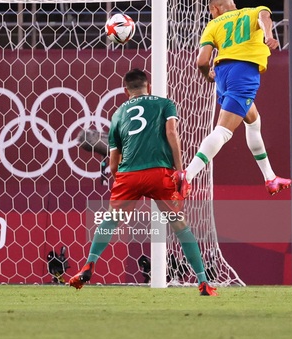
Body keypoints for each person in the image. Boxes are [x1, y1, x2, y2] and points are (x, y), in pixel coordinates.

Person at [69, 68, 217, 296]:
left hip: (130, 175)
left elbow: (114, 158)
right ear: (149, 85)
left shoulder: (118, 113)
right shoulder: (164, 103)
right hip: (160, 173)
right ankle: (203, 282)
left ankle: (89, 264)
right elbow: (171, 133)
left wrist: (121, 180)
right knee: (180, 226)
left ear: (124, 89)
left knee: (110, 221)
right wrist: (179, 172)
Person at [177, 0, 291, 198]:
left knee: (253, 121)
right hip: (244, 72)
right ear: (233, 4)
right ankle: (188, 175)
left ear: (215, 9)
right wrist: (269, 36)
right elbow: (264, 17)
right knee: (223, 131)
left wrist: (208, 76)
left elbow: (202, 62)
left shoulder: (212, 25)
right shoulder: (251, 12)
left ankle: (270, 177)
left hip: (223, 74)